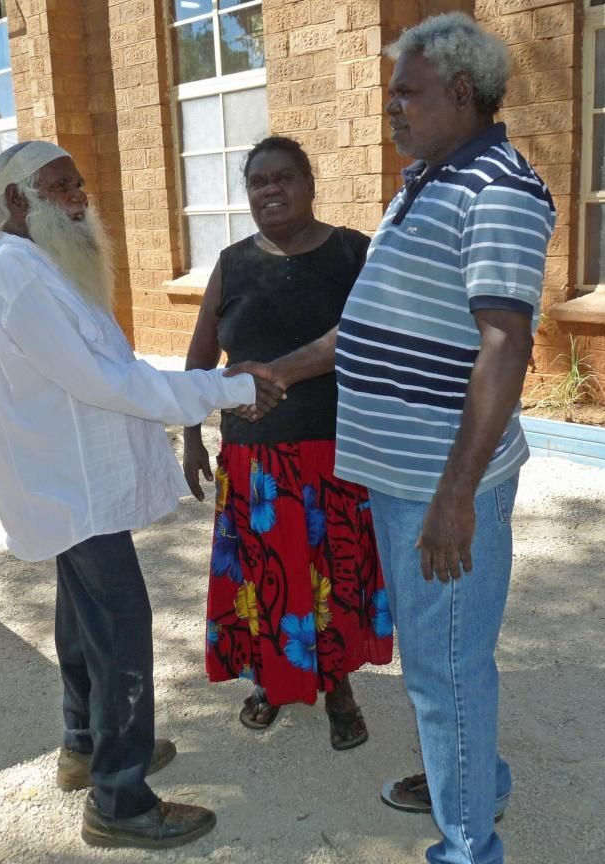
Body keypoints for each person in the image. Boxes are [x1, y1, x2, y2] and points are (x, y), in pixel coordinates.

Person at [0, 141, 281, 850]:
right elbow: (110, 383)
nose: (79, 198)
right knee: (119, 632)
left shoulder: (36, 265)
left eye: (80, 183)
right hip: (69, 486)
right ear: (18, 203)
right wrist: (229, 388)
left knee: (83, 622)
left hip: (67, 485)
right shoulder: (20, 278)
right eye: (60, 188)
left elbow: (110, 370)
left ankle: (85, 746)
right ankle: (120, 797)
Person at [332, 14, 556, 864]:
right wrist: (280, 366)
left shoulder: (495, 189)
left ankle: (469, 846)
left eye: (406, 93)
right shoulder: (428, 177)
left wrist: (455, 496)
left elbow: (506, 343)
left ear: (461, 94)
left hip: (437, 481)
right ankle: (476, 776)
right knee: (444, 656)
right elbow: (382, 316)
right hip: (403, 473)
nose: (391, 107)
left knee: (445, 667)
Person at [183, 136, 392, 750]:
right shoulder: (231, 262)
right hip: (255, 461)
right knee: (265, 575)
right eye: (257, 183)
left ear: (309, 182)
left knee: (336, 576)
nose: (269, 191)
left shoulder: (354, 252)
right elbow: (200, 356)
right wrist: (193, 435)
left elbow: (376, 344)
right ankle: (272, 681)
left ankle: (341, 689)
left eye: (283, 178)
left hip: (336, 453)